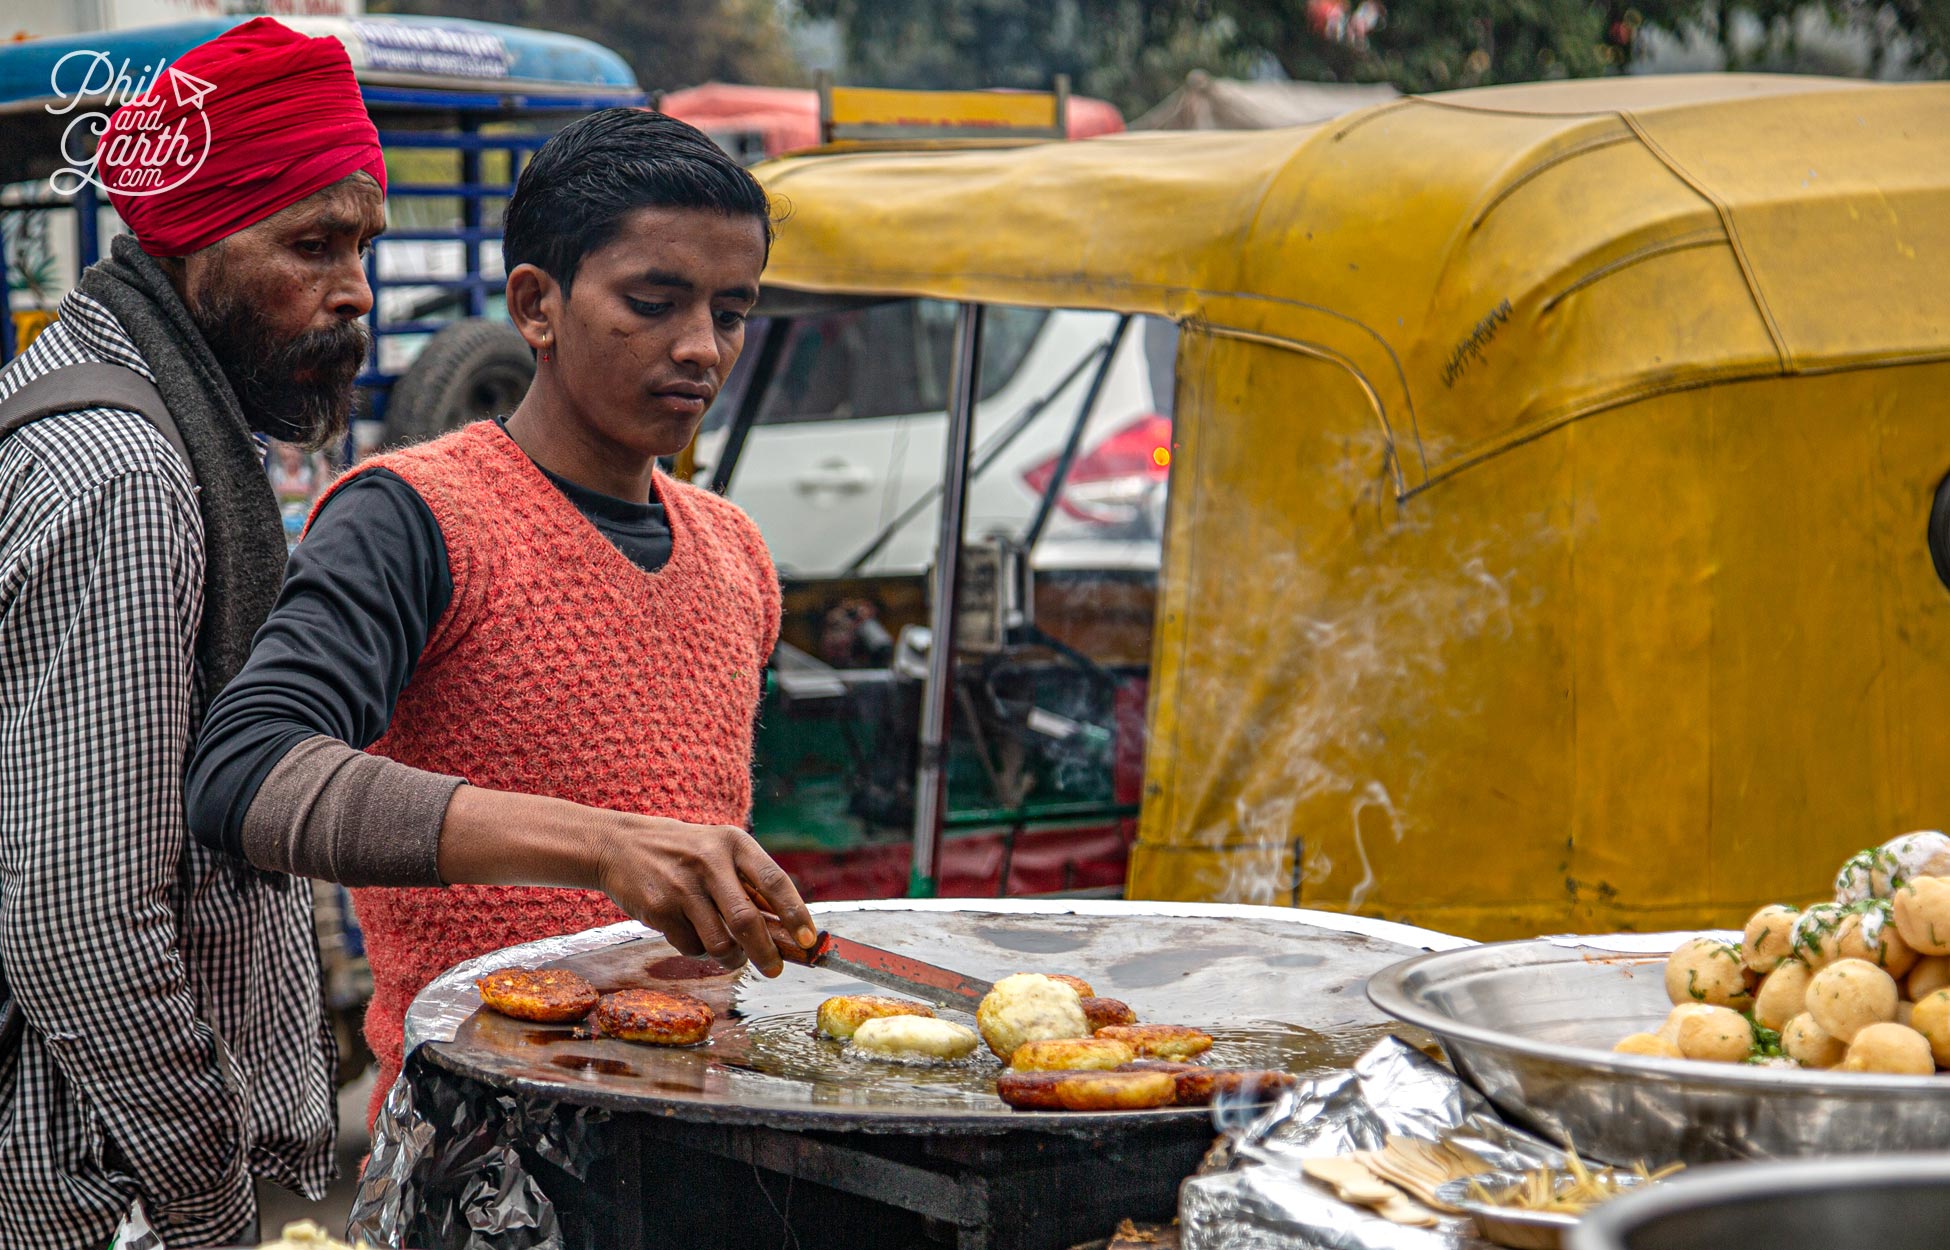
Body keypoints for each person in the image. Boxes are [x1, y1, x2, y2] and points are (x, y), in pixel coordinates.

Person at [185, 107, 817, 1131]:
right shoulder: (413, 516)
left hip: (701, 1131)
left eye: (733, 312)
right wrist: (604, 846)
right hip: (484, 1142)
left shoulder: (735, 550)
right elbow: (247, 772)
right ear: (536, 304)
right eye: (652, 302)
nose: (701, 347)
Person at [0, 19, 383, 1247]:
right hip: (85, 1184)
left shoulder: (132, 406)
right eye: (311, 245)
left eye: (365, 246)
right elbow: (80, 913)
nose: (356, 291)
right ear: (196, 244)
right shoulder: (124, 471)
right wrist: (212, 1205)